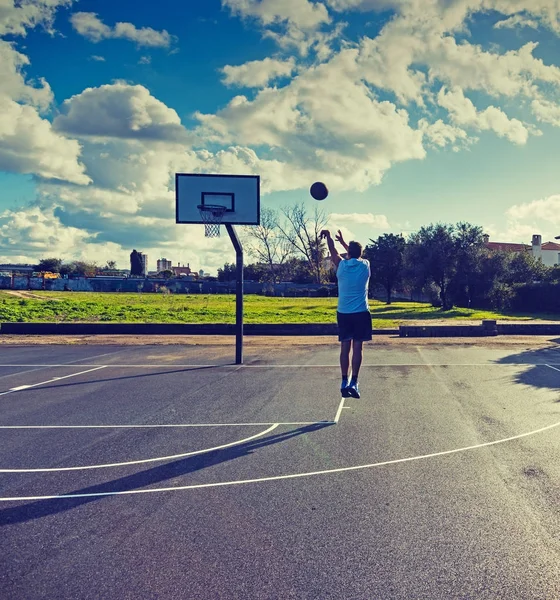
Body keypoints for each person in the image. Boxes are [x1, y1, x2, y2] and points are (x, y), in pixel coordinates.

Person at [320, 229, 372, 399]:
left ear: (348, 253)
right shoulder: (365, 265)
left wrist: (329, 237)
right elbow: (355, 255)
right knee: (358, 347)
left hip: (344, 313)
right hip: (361, 313)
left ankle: (344, 381)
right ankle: (354, 382)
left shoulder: (341, 266)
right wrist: (345, 243)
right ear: (361, 253)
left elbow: (334, 251)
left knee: (345, 347)